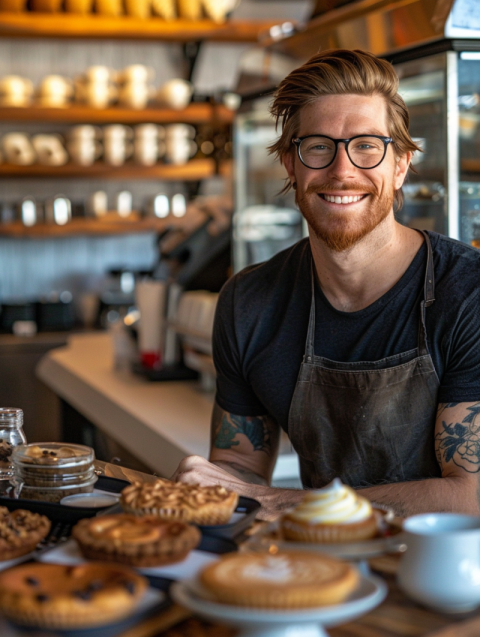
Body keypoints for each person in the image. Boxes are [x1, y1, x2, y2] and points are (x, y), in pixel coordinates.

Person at [172, 49, 480, 519]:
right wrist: (216, 486)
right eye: (318, 146)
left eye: (367, 146)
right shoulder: (249, 302)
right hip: (316, 567)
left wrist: (283, 501)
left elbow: (471, 498)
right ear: (290, 166)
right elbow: (239, 465)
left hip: (446, 579)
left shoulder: (468, 294)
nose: (341, 170)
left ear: (400, 164)